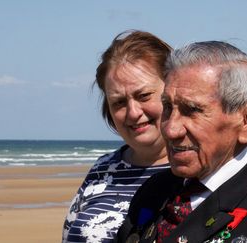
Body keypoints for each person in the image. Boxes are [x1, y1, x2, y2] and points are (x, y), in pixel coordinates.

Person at [116, 41, 247, 243]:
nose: (171, 129)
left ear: (246, 120)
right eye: (168, 107)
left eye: (193, 110)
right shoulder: (155, 189)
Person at [62, 30, 172, 243]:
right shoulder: (103, 168)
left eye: (143, 96)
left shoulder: (195, 171)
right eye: (119, 102)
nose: (133, 112)